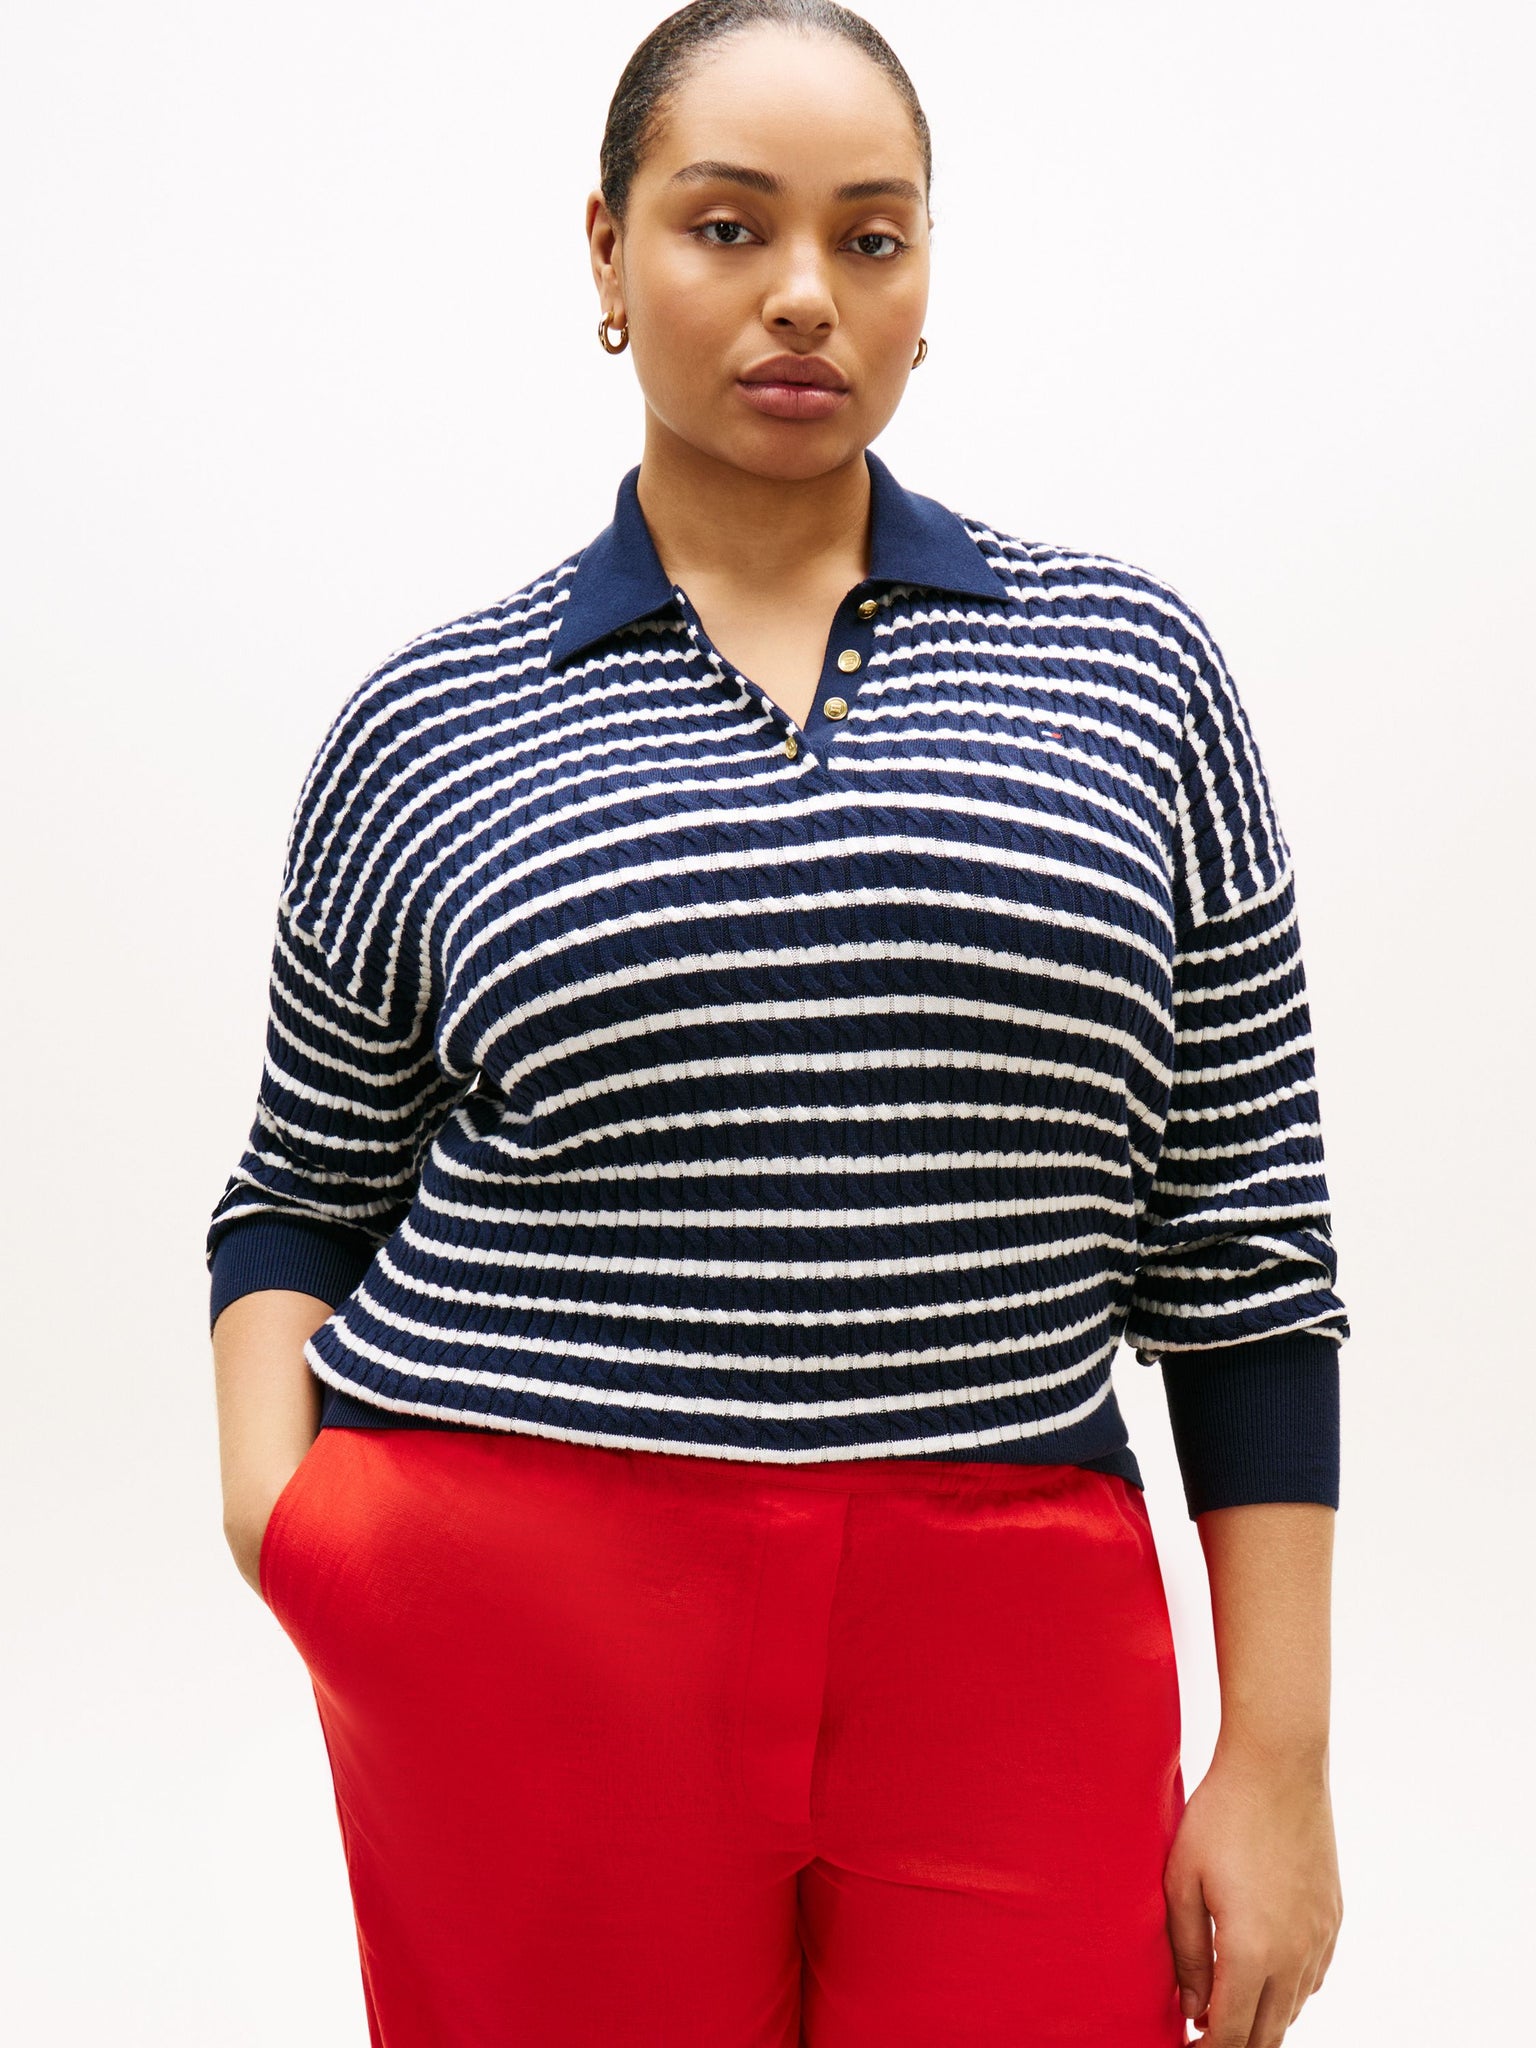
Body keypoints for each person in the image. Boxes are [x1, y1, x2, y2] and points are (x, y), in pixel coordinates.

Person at [208, 4, 1349, 2042]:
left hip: (1013, 1607)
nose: (805, 293)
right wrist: (283, 1518)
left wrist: (1279, 1755)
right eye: (727, 226)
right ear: (607, 248)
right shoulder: (429, 722)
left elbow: (1245, 1244)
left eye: (870, 236)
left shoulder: (1132, 672)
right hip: (522, 1604)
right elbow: (301, 1182)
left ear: (926, 276)